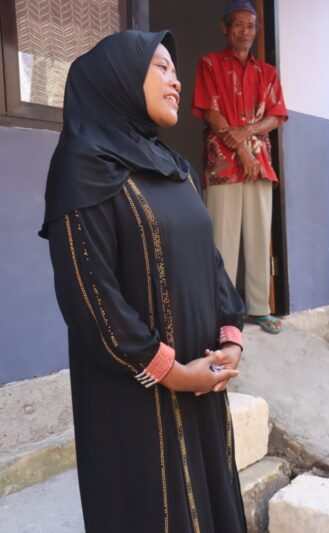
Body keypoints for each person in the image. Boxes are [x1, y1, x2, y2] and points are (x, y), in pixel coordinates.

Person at [41, 31, 247, 532]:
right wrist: (172, 372)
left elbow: (209, 257)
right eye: (161, 67)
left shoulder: (172, 165)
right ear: (120, 79)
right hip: (135, 396)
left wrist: (230, 337)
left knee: (209, 499)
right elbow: (90, 296)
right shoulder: (81, 167)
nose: (177, 80)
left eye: (176, 70)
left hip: (203, 378)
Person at [192, 0, 287, 334]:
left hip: (259, 162)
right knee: (223, 238)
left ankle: (260, 308)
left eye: (251, 26)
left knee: (260, 235)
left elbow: (276, 116)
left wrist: (246, 136)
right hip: (224, 163)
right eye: (238, 25)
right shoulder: (210, 64)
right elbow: (208, 109)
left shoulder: (267, 73)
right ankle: (223, 312)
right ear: (225, 28)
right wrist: (241, 149)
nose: (245, 31)